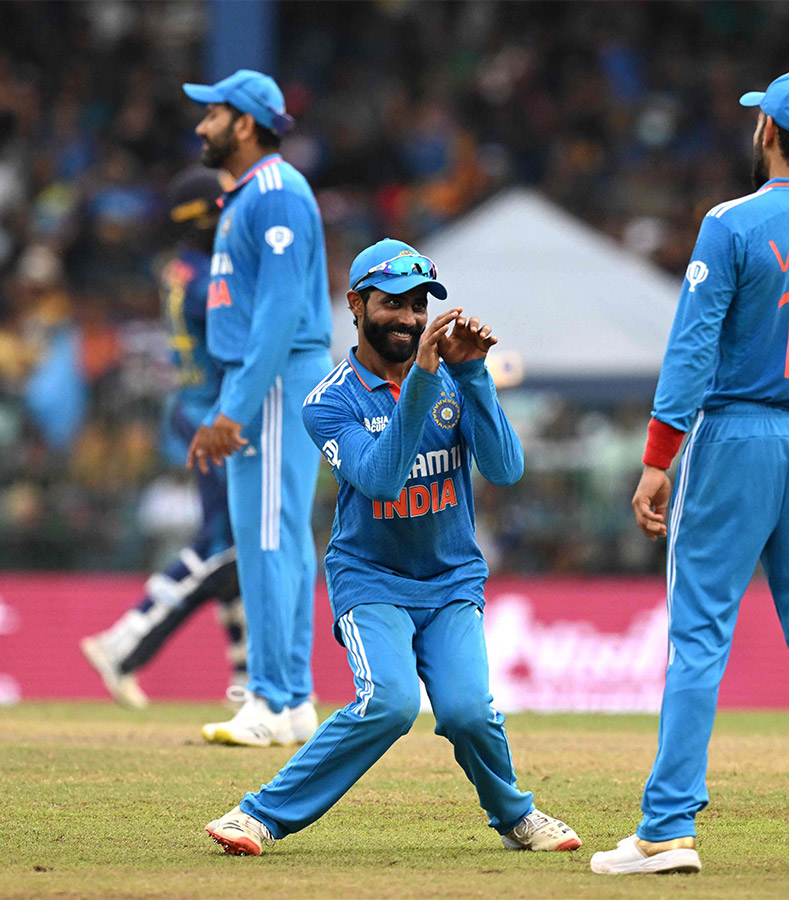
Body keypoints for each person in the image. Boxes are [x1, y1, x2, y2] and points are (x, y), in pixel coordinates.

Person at [590, 69, 789, 876]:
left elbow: (691, 348)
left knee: (698, 639)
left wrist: (659, 459)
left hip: (735, 437)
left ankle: (666, 830)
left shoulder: (732, 224)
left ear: (767, 133)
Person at [204, 238, 580, 856]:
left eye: (418, 306)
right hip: (371, 578)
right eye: (392, 304)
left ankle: (516, 817)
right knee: (390, 703)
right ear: (356, 304)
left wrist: (474, 376)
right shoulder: (328, 402)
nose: (408, 319)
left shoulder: (452, 379)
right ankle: (259, 817)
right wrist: (427, 384)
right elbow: (379, 478)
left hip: (451, 578)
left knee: (465, 713)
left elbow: (507, 469)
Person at [182, 69, 333, 746]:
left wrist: (232, 409)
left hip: (270, 379)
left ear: (245, 123)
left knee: (268, 536)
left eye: (211, 115)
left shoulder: (275, 192)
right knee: (278, 538)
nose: (200, 126)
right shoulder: (248, 197)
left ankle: (271, 699)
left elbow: (277, 315)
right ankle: (294, 698)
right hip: (258, 378)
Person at [80, 167, 245, 708]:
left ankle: (245, 678)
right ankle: (122, 643)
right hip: (211, 417)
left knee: (233, 550)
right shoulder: (205, 282)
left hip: (193, 407)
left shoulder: (180, 270)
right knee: (223, 545)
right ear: (208, 218)